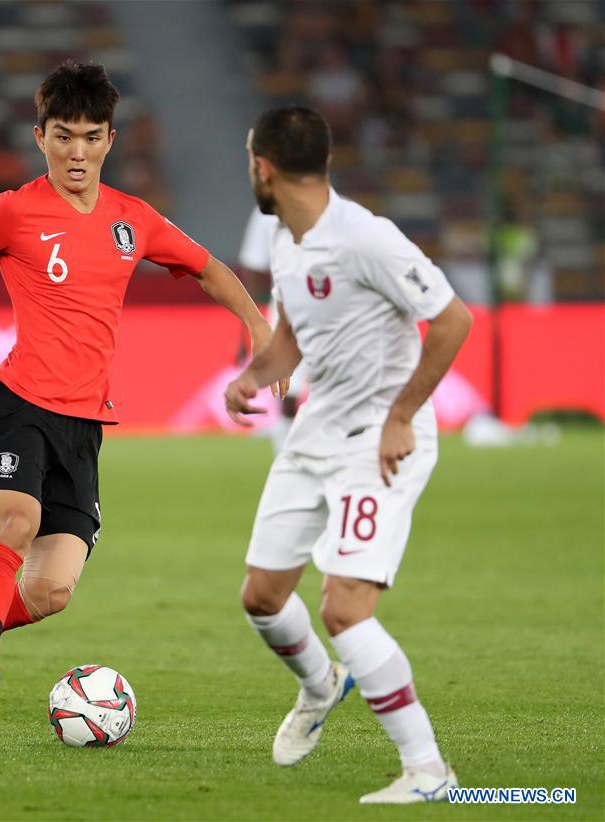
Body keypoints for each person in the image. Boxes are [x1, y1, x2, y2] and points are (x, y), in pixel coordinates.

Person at [0, 62, 277, 724]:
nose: (77, 152)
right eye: (63, 136)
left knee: (49, 591)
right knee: (15, 521)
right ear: (40, 137)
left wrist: (258, 327)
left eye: (91, 137)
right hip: (19, 405)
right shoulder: (13, 211)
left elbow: (207, 268)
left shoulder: (133, 220)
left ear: (110, 141)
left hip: (84, 424)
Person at [224, 106, 472, 804]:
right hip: (315, 432)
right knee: (262, 598)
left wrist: (401, 414)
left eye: (249, 162)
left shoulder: (366, 238)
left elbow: (453, 319)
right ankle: (319, 686)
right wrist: (254, 374)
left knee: (343, 610)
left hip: (377, 442)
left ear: (263, 168)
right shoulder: (284, 238)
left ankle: (428, 771)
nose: (250, 173)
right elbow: (293, 337)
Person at [238, 205, 309, 454]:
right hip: (286, 301)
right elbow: (254, 265)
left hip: (329, 303)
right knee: (289, 386)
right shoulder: (266, 212)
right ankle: (287, 451)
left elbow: (253, 267)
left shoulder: (265, 211)